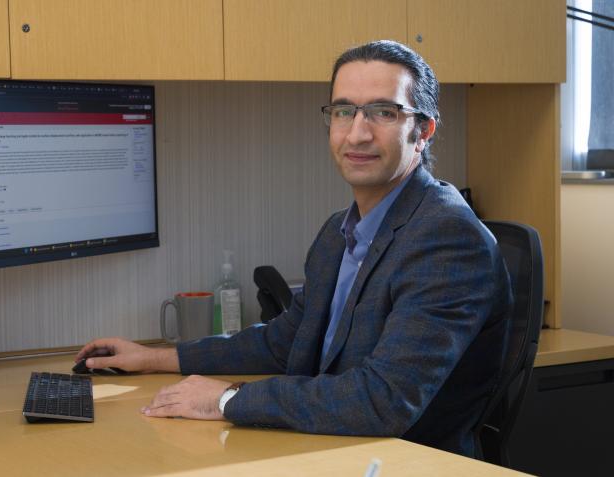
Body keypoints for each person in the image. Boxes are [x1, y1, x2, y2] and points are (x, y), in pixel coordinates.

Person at [76, 40, 512, 458]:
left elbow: (383, 400)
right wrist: (154, 358)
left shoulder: (447, 238)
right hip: (331, 449)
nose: (357, 134)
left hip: (403, 463)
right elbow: (287, 342)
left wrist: (227, 399)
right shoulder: (338, 233)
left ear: (423, 131)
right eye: (344, 111)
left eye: (383, 112)